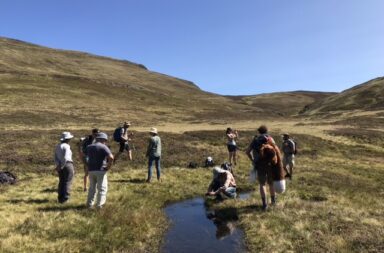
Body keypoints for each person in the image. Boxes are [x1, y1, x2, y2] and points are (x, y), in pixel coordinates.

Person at [245, 125, 277, 210]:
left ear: (259, 131)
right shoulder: (270, 138)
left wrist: (253, 160)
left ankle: (264, 205)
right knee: (271, 183)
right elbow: (275, 150)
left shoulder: (255, 140)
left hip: (259, 164)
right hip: (270, 164)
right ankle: (273, 202)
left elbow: (247, 152)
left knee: (262, 184)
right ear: (266, 131)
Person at [86, 132, 114, 208]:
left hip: (91, 169)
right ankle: (99, 205)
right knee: (102, 188)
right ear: (103, 139)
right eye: (105, 140)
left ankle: (89, 204)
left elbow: (85, 157)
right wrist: (108, 167)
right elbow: (111, 157)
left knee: (92, 188)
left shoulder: (89, 147)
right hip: (101, 169)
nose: (105, 142)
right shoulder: (103, 147)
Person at [54, 132, 75, 203]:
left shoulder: (57, 146)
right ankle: (66, 198)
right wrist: (62, 165)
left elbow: (55, 157)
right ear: (67, 139)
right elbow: (66, 157)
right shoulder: (67, 146)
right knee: (68, 181)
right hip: (67, 164)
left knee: (61, 182)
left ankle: (60, 198)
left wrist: (58, 165)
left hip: (60, 165)